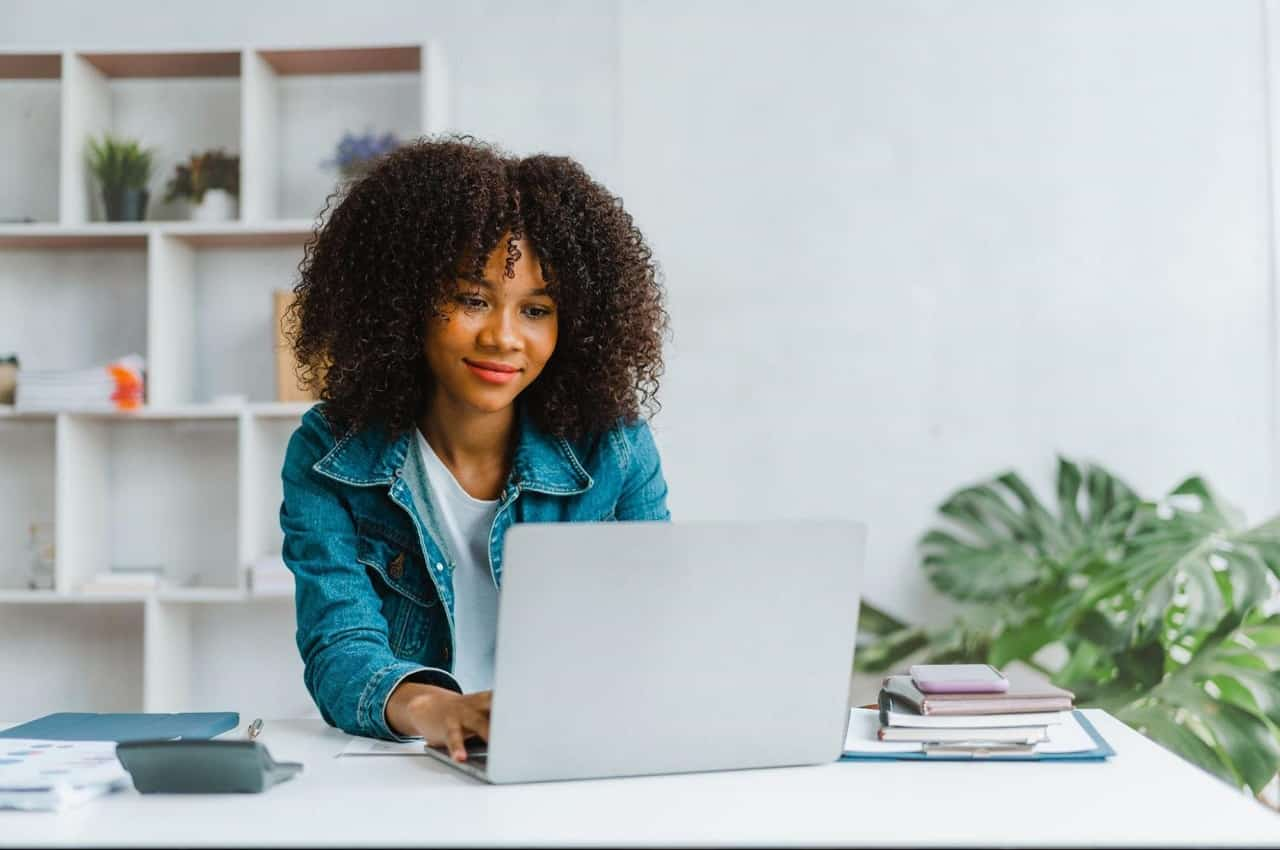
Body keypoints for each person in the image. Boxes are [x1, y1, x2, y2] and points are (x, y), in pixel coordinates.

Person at [279, 136, 670, 761]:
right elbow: (341, 648)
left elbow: (655, 624)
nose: (504, 337)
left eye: (537, 309)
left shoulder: (615, 450)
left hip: (574, 755)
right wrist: (440, 711)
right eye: (472, 299)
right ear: (404, 300)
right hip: (410, 764)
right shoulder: (332, 454)